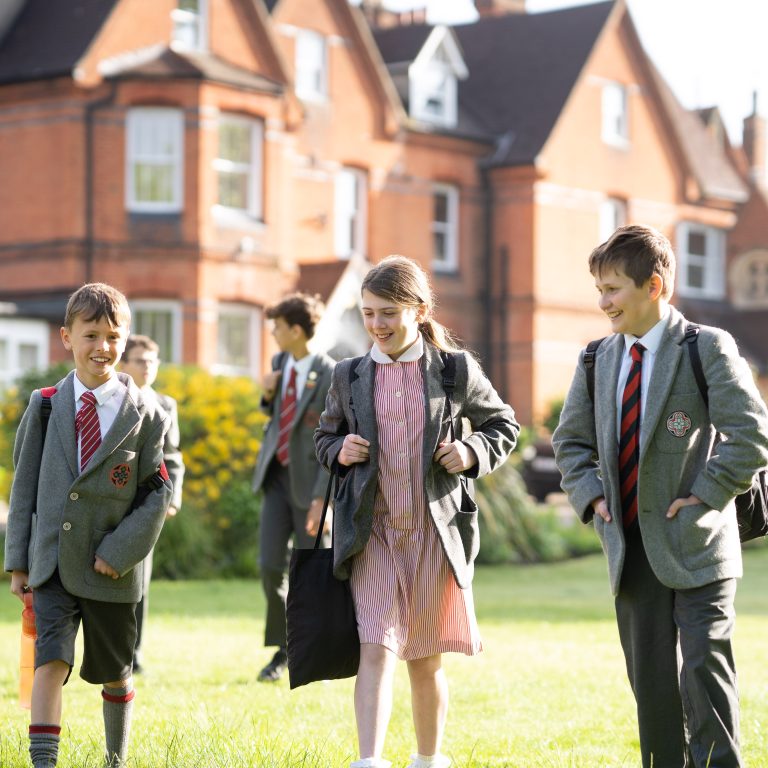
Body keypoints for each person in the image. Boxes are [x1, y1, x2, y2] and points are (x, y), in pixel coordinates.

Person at [552, 225, 768, 768]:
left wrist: (705, 493)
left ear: (654, 287)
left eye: (613, 289)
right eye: (598, 289)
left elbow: (752, 435)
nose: (603, 302)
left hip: (699, 545)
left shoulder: (707, 346)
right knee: (650, 683)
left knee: (703, 671)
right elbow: (569, 442)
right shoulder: (596, 359)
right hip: (630, 547)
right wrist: (591, 496)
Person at [315, 256, 519, 768]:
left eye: (388, 313)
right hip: (372, 532)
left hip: (434, 532)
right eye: (367, 314)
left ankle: (428, 760)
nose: (377, 325)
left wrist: (471, 453)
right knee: (375, 650)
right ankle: (369, 761)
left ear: (419, 309)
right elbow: (323, 435)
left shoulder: (454, 371)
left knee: (425, 661)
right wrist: (338, 450)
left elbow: (503, 424)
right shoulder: (349, 374)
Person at [4, 283, 172, 768]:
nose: (103, 346)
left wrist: (120, 552)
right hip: (52, 563)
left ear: (125, 339)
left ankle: (115, 759)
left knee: (115, 672)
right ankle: (43, 762)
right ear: (66, 337)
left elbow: (157, 493)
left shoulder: (146, 414)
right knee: (49, 662)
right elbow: (25, 490)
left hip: (111, 571)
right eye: (91, 334)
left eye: (113, 336)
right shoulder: (46, 404)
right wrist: (18, 562)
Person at [251, 292, 335, 682]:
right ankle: (284, 647)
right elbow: (272, 412)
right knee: (269, 566)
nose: (273, 333)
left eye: (278, 327)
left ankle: (313, 649)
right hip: (276, 479)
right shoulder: (278, 362)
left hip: (311, 486)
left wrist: (323, 496)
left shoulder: (331, 372)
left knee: (310, 569)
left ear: (297, 330)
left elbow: (334, 435)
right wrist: (267, 393)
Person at [119, 334, 185, 674]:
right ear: (124, 364)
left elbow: (172, 457)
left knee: (139, 583)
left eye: (153, 361)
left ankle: (135, 654)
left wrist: (171, 498)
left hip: (147, 505)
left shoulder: (166, 404)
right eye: (141, 361)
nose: (148, 367)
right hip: (111, 501)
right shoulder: (114, 397)